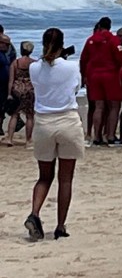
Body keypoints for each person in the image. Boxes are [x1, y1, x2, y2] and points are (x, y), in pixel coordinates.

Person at [25, 28, 84, 241]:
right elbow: (76, 88)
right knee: (65, 179)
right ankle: (60, 225)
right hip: (67, 120)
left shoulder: (34, 68)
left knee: (44, 176)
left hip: (43, 122)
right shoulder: (71, 66)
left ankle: (35, 213)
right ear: (62, 44)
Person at [79, 17, 122, 146]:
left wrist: (83, 76)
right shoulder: (113, 40)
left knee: (99, 106)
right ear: (109, 26)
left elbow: (83, 59)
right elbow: (121, 58)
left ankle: (97, 136)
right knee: (114, 106)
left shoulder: (90, 40)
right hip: (110, 75)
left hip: (93, 76)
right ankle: (110, 136)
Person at [3, 41, 36, 147]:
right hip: (29, 89)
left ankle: (10, 138)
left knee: (14, 115)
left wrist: (9, 94)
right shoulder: (34, 63)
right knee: (30, 116)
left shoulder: (15, 63)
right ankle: (28, 140)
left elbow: (11, 80)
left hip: (17, 89)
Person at [0, 33, 15, 135]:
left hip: (3, 85)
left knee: (2, 107)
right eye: (7, 44)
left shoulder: (4, 54)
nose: (9, 46)